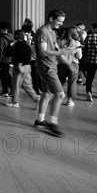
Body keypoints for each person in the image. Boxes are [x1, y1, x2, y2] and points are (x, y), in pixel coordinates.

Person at [33, 9, 75, 137]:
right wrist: (62, 52)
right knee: (60, 95)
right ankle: (52, 123)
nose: (61, 24)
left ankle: (40, 120)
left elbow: (55, 49)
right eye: (59, 21)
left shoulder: (52, 32)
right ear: (51, 19)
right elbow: (43, 52)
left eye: (62, 22)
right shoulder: (43, 31)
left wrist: (67, 60)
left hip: (52, 65)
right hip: (46, 67)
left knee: (47, 93)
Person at [6, 30, 40, 108]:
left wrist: (19, 65)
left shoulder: (17, 45)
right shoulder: (26, 44)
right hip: (28, 66)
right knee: (27, 85)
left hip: (20, 67)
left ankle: (15, 102)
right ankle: (37, 99)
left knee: (16, 85)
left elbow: (13, 54)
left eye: (15, 35)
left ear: (17, 36)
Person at [57, 26, 82, 107]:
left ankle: (56, 97)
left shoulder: (59, 41)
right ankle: (69, 100)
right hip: (73, 63)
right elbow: (79, 56)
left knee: (60, 80)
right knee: (72, 81)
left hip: (61, 63)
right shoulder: (76, 43)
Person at [0, 21, 13, 98]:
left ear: (2, 29)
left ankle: (5, 92)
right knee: (7, 75)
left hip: (3, 60)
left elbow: (0, 51)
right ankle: (12, 90)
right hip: (10, 59)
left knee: (3, 76)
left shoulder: (2, 39)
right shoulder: (12, 36)